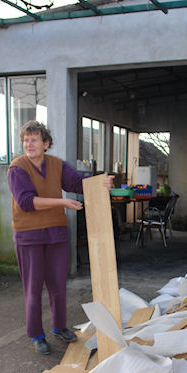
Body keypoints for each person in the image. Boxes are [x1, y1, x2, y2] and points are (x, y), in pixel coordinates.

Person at [8, 120, 113, 354]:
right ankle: (37, 335)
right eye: (26, 140)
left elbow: (77, 183)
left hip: (55, 232)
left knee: (58, 285)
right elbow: (26, 202)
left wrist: (101, 183)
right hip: (29, 235)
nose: (29, 144)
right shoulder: (17, 168)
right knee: (33, 289)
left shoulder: (56, 164)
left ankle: (59, 327)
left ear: (46, 143)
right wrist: (62, 202)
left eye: (34, 140)